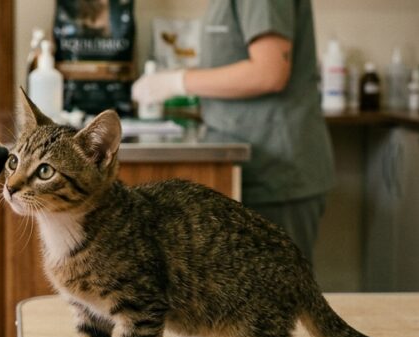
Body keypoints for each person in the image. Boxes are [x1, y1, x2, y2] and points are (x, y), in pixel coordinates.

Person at [132, 0, 335, 262]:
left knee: (280, 288)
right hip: (253, 160)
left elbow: (270, 71)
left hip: (277, 168)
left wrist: (178, 81)